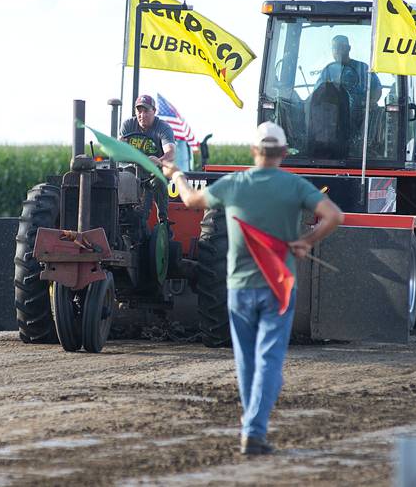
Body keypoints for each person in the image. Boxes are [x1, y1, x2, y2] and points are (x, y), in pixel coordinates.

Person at [162, 122, 344, 455]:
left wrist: (176, 174)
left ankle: (253, 425)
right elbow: (334, 215)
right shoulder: (295, 186)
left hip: (238, 288)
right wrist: (306, 241)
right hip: (278, 288)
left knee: (247, 361)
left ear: (253, 152)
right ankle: (254, 431)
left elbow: (189, 200)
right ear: (284, 153)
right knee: (269, 359)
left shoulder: (234, 184)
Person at [119, 94, 176, 224]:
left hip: (153, 171)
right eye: (139, 111)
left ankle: (163, 219)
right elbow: (119, 151)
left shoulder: (163, 128)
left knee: (158, 181)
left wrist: (159, 161)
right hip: (133, 170)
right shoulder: (128, 125)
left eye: (146, 111)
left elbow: (171, 152)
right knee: (120, 179)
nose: (142, 115)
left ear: (154, 111)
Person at [316, 34, 382, 106]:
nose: (338, 50)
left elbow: (377, 89)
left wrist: (369, 104)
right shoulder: (327, 71)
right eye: (335, 47)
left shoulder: (363, 68)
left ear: (349, 48)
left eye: (341, 47)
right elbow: (317, 94)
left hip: (362, 114)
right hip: (335, 114)